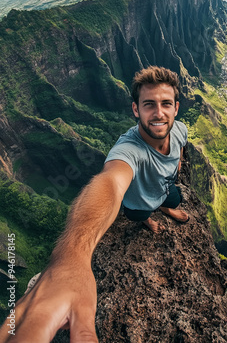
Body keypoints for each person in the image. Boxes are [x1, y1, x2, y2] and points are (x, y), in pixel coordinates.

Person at [0, 66, 189, 343]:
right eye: (149, 105)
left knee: (175, 198)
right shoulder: (128, 150)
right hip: (138, 203)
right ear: (136, 109)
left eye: (166, 104)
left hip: (164, 189)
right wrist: (72, 259)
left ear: (176, 108)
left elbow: (178, 149)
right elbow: (110, 182)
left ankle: (164, 206)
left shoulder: (180, 130)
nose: (158, 113)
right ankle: (148, 217)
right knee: (140, 214)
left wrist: (175, 166)